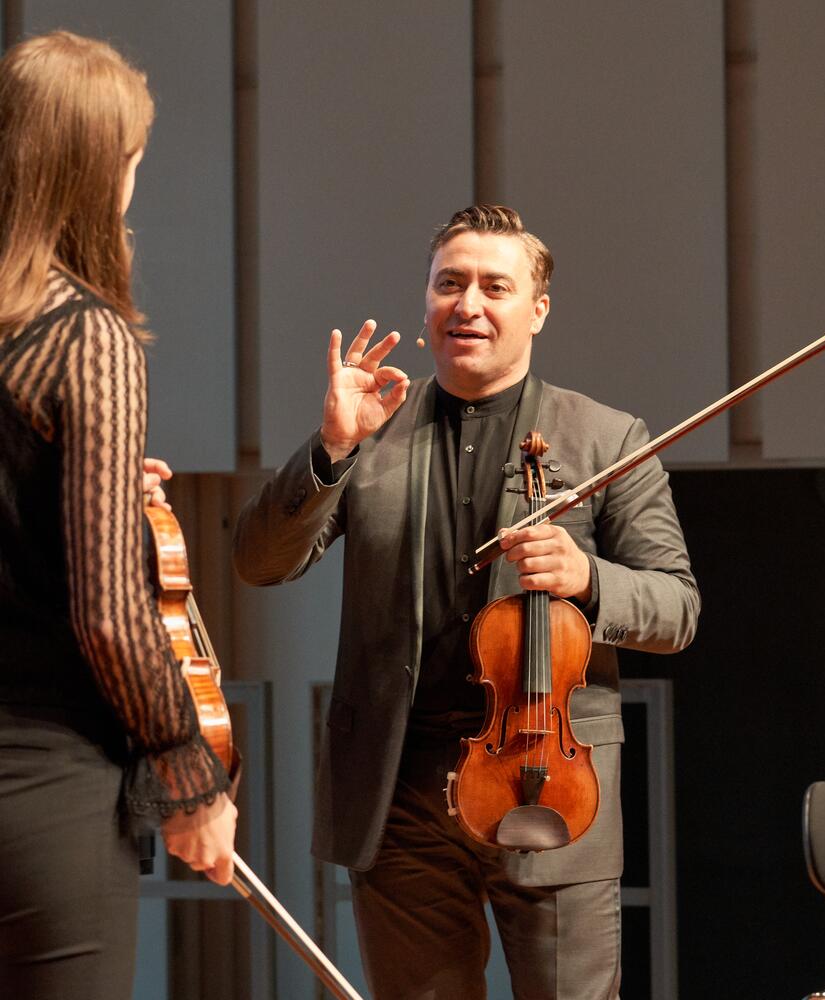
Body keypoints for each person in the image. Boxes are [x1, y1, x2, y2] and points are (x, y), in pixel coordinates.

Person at [233, 204, 699, 999]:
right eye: (449, 283)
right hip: (398, 790)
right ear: (425, 303)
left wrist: (589, 580)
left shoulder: (607, 438)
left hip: (551, 786)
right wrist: (333, 449)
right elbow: (259, 561)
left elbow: (677, 607)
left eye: (495, 285)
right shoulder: (373, 430)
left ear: (537, 309)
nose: (469, 304)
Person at [0, 31, 237, 1000]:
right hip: (44, 779)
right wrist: (189, 773)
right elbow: (107, 613)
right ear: (101, 167)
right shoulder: (85, 333)